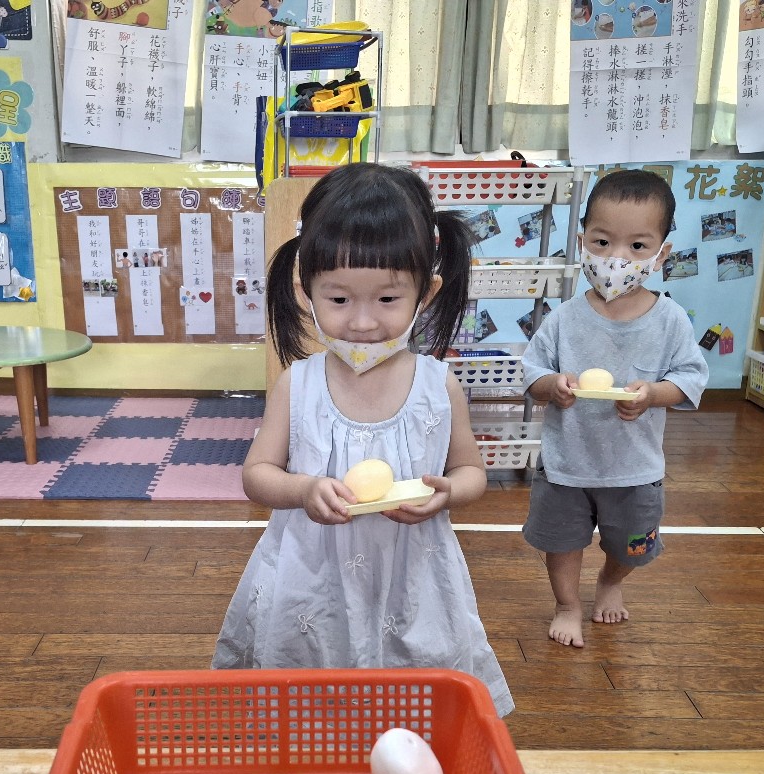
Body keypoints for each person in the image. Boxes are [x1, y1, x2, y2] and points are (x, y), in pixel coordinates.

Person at [211, 162, 513, 716]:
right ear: (305, 292)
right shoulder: (297, 384)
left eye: (388, 300)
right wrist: (303, 490)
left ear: (426, 293)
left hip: (413, 572)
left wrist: (448, 492)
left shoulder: (438, 385)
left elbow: (472, 471)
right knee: (308, 688)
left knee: (412, 692)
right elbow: (257, 475)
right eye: (340, 299)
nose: (364, 322)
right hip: (313, 573)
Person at [522, 168, 708, 648]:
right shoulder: (563, 319)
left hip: (634, 469)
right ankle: (567, 605)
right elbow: (532, 373)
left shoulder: (670, 320)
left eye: (637, 246)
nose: (616, 258)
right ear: (582, 241)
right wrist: (552, 386)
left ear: (661, 254)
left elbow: (690, 378)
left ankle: (611, 580)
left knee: (632, 545)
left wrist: (653, 395)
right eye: (602, 242)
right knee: (562, 543)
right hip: (567, 465)